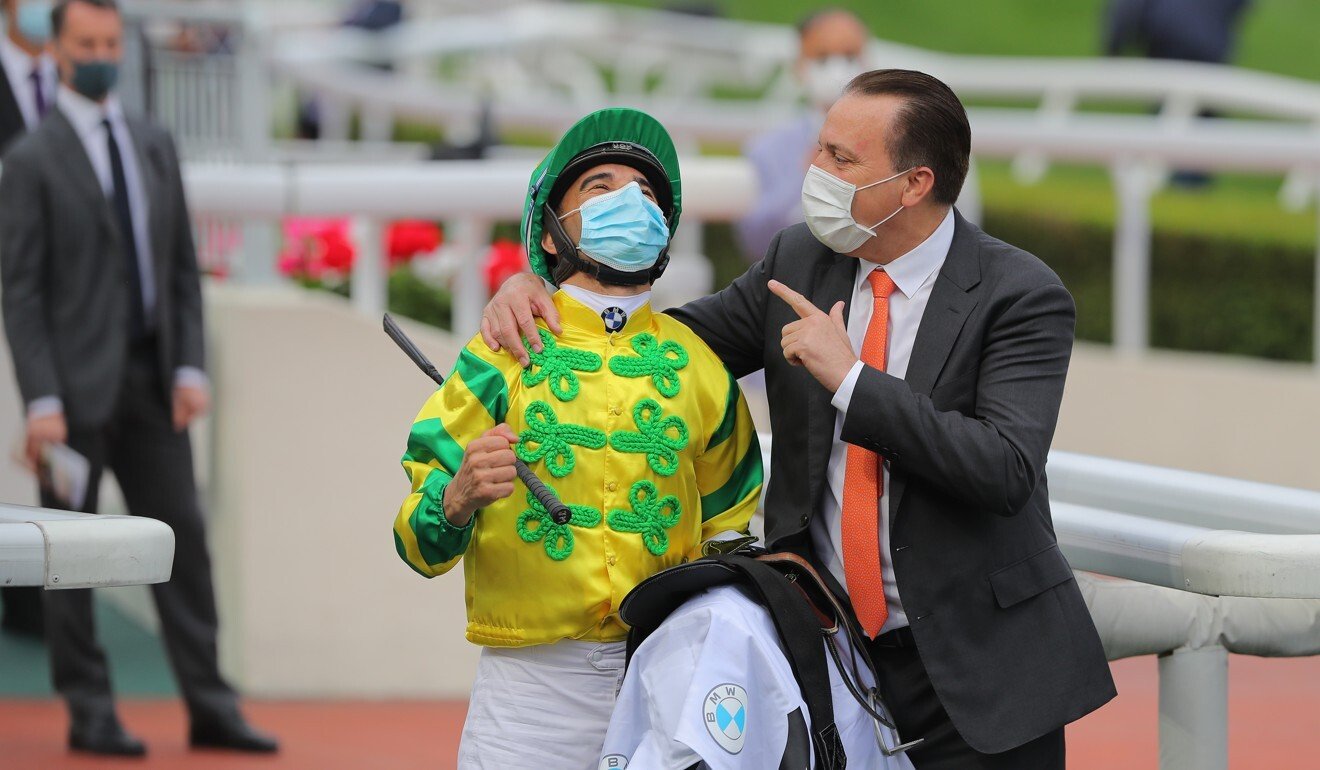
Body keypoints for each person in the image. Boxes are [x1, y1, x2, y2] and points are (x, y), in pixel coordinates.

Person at [481, 69, 1116, 768]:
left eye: (842, 160)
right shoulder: (800, 259)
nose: (814, 171)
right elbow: (660, 351)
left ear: (914, 184)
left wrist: (851, 379)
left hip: (979, 675)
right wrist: (541, 286)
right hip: (830, 656)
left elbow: (1004, 468)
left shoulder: (1020, 294)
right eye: (820, 148)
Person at [392, 107, 762, 768]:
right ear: (554, 236)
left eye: (647, 194)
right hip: (530, 696)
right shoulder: (499, 352)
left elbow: (735, 533)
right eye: (601, 186)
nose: (632, 202)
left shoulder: (702, 369)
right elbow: (414, 545)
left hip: (670, 681)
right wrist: (457, 497)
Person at [0, 0, 276, 757]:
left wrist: (189, 366)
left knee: (183, 540)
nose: (99, 54)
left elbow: (182, 270)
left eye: (109, 42)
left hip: (153, 383)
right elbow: (19, 291)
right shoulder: (28, 160)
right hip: (71, 394)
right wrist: (42, 401)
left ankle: (211, 705)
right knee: (70, 565)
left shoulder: (153, 144)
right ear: (56, 50)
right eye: (84, 43)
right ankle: (89, 710)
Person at [0, 0, 57, 637]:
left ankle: (39, 607)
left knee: (45, 442)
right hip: (9, 286)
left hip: (66, 303)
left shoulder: (80, 73)